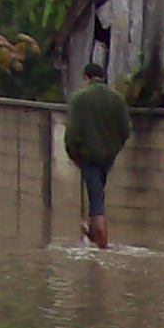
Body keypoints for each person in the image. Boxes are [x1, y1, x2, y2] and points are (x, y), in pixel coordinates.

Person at [63, 59, 132, 250]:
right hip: (107, 156)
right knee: (98, 193)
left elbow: (72, 133)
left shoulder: (79, 98)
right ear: (103, 77)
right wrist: (114, 149)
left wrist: (74, 154)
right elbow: (126, 130)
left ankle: (102, 244)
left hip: (87, 156)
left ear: (86, 77)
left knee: (96, 198)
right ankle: (94, 236)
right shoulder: (117, 99)